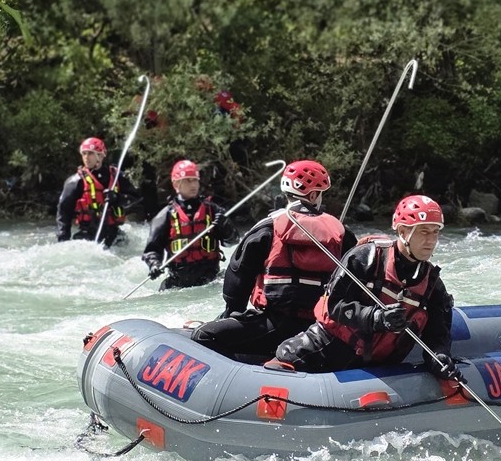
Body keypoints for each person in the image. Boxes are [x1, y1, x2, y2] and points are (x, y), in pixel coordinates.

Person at [269, 194, 459, 380]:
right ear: (402, 232)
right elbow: (333, 305)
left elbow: (437, 334)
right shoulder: (365, 258)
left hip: (378, 367)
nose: (431, 240)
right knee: (283, 361)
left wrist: (439, 357)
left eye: (435, 232)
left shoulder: (433, 284)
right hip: (328, 348)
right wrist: (376, 317)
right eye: (424, 232)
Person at [190, 159, 357, 359]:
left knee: (204, 336)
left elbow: (237, 277)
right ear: (313, 195)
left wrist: (233, 312)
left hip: (274, 325)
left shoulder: (266, 228)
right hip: (320, 330)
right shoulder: (340, 232)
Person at [141, 160, 235, 290]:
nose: (193, 185)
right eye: (187, 180)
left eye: (194, 180)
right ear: (176, 184)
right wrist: (154, 265)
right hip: (179, 282)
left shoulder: (213, 211)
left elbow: (232, 241)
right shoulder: (165, 216)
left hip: (210, 278)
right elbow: (152, 250)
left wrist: (225, 226)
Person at [56, 136, 137, 247]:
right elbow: (64, 212)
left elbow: (135, 200)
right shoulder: (75, 182)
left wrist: (117, 198)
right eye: (84, 153)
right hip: (87, 235)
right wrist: (63, 239)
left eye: (90, 153)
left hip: (113, 232)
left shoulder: (117, 176)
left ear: (101, 155)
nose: (86, 157)